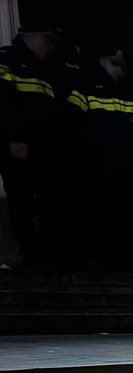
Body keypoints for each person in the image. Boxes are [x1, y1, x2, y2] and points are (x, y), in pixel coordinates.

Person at [67, 48, 133, 272]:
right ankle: (100, 260)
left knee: (124, 211)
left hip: (126, 163)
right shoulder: (86, 86)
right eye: (116, 63)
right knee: (99, 212)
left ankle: (123, 261)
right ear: (104, 62)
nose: (120, 68)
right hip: (96, 162)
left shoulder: (132, 90)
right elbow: (74, 122)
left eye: (123, 64)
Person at [0, 19, 62, 268]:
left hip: (40, 148)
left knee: (42, 202)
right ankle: (25, 255)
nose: (51, 48)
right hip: (18, 148)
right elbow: (4, 103)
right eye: (49, 42)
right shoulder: (8, 59)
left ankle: (39, 255)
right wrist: (16, 138)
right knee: (20, 201)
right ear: (34, 37)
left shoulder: (41, 68)